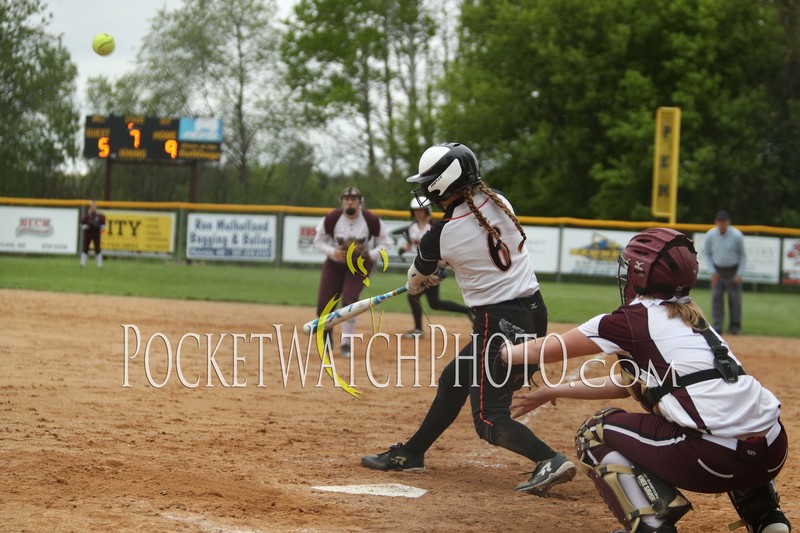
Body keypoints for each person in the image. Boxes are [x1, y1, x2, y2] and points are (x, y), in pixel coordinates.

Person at [502, 228, 789, 533]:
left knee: (594, 432)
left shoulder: (628, 320)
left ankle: (652, 524)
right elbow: (629, 384)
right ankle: (767, 518)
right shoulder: (693, 319)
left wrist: (504, 351)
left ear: (640, 275)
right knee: (732, 420)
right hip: (772, 452)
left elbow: (544, 350)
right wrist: (554, 389)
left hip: (711, 462)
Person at [361, 142, 577, 497]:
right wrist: (441, 269)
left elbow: (416, 282)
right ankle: (412, 453)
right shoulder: (501, 203)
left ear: (443, 184)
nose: (426, 189)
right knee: (453, 379)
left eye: (429, 182)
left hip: (499, 324)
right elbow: (473, 252)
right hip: (534, 312)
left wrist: (425, 277)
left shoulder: (439, 236)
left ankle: (549, 459)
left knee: (489, 416)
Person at [313, 186, 391, 357]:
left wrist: (370, 254)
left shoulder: (371, 220)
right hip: (335, 264)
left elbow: (386, 243)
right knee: (323, 305)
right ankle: (327, 334)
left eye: (354, 199)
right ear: (341, 202)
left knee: (349, 300)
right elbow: (318, 241)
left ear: (360, 202)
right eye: (346, 199)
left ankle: (346, 344)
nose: (350, 202)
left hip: (360, 265)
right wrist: (333, 252)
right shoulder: (332, 218)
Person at [399, 196, 473, 338]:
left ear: (427, 211)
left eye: (421, 210)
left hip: (434, 268)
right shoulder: (412, 227)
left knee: (413, 296)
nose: (418, 213)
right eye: (415, 211)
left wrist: (439, 270)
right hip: (420, 268)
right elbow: (409, 244)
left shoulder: (434, 226)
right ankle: (467, 311)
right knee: (435, 303)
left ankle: (418, 330)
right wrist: (403, 249)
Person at [704, 210, 746, 334]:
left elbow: (743, 255)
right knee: (716, 298)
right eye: (720, 221)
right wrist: (712, 271)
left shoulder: (737, 235)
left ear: (728, 222)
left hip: (733, 270)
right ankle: (718, 325)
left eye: (724, 221)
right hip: (717, 271)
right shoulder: (710, 235)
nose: (722, 223)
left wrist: (739, 274)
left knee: (735, 300)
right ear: (716, 222)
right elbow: (707, 254)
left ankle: (735, 326)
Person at [80, 200, 106, 268]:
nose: (93, 208)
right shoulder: (87, 216)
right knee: (85, 248)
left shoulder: (100, 216)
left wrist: (99, 226)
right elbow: (81, 225)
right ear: (90, 207)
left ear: (96, 207)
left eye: (94, 206)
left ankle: (99, 264)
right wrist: (87, 226)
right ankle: (82, 264)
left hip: (96, 234)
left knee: (97, 248)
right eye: (92, 206)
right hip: (88, 234)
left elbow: (104, 225)